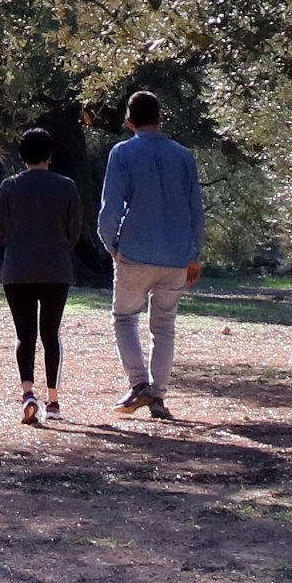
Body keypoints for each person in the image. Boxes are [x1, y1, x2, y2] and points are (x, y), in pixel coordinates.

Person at [94, 88, 203, 419]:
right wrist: (194, 254)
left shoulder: (122, 153)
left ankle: (139, 383)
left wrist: (110, 243)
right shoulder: (184, 156)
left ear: (129, 121)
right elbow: (196, 210)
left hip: (135, 252)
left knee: (125, 318)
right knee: (164, 325)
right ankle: (158, 396)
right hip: (176, 257)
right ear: (159, 118)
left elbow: (111, 206)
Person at [0, 126, 86, 425]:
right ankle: (53, 401)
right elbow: (74, 230)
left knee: (24, 335)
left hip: (17, 270)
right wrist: (58, 247)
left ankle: (28, 393)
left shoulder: (10, 187)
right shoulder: (67, 186)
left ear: (22, 155)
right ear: (50, 155)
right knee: (50, 334)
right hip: (56, 269)